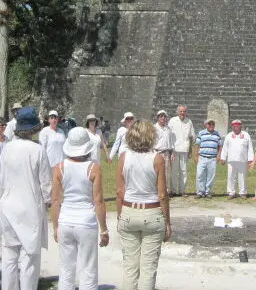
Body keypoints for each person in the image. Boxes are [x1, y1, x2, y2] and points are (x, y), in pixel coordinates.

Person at [116, 119, 172, 290]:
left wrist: (120, 216)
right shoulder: (157, 159)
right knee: (148, 269)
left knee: (130, 268)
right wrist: (167, 221)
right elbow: (162, 194)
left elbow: (119, 191)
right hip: (151, 211)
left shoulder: (124, 157)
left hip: (129, 210)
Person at [0, 106, 51, 289]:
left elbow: (2, 179)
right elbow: (46, 184)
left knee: (9, 257)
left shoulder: (7, 148)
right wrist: (48, 201)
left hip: (7, 206)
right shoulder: (37, 150)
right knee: (30, 257)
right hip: (29, 207)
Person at [51, 126, 109, 289]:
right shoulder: (93, 168)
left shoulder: (59, 168)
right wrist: (104, 229)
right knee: (88, 271)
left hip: (66, 221)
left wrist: (55, 226)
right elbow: (98, 201)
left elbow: (55, 201)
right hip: (86, 222)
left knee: (66, 271)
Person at [220, 120, 254, 199]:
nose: (236, 127)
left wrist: (250, 159)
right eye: (234, 126)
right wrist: (223, 158)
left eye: (237, 126)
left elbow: (250, 148)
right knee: (231, 177)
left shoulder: (246, 135)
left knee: (242, 177)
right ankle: (231, 192)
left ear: (240, 126)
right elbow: (225, 148)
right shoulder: (229, 135)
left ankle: (242, 193)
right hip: (231, 160)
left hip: (243, 160)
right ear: (232, 126)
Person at [168, 105, 195, 196]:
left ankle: (181, 191)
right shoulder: (172, 120)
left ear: (186, 112)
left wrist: (190, 150)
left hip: (185, 150)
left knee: (184, 171)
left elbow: (191, 137)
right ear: (177, 112)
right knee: (174, 171)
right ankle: (173, 190)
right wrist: (170, 150)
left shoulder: (189, 121)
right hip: (174, 150)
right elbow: (168, 135)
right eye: (180, 111)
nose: (182, 113)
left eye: (184, 111)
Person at [194, 119, 222, 198]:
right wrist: (195, 156)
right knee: (200, 175)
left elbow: (220, 146)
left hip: (212, 158)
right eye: (209, 124)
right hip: (202, 157)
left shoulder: (217, 134)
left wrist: (219, 156)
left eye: (212, 124)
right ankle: (200, 192)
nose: (211, 126)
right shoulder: (201, 133)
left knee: (210, 176)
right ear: (206, 125)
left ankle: (207, 192)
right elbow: (197, 145)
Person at [154, 110, 174, 194]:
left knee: (166, 173)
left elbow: (171, 141)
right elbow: (152, 142)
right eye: (161, 116)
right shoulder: (154, 128)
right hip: (157, 152)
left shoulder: (168, 128)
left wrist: (172, 153)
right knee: (156, 172)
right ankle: (156, 190)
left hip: (167, 153)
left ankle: (165, 190)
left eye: (164, 116)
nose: (163, 118)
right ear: (158, 118)